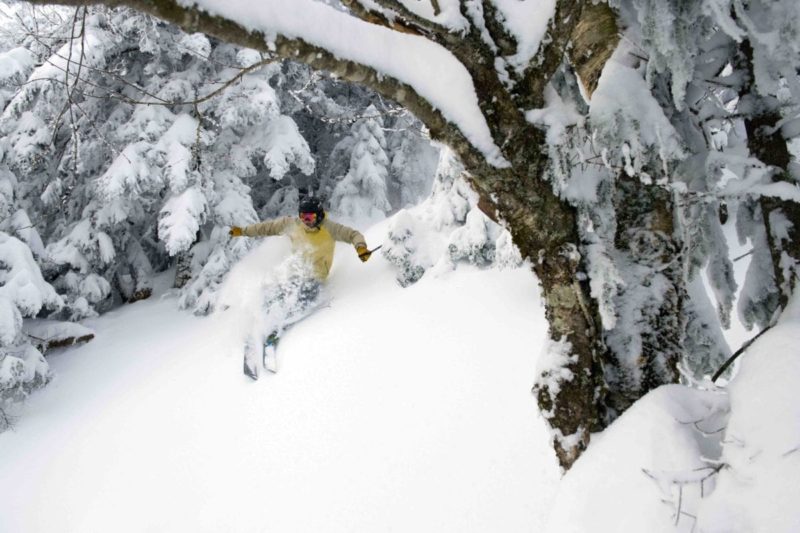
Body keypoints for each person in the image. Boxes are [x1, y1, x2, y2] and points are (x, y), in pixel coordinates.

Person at [228, 196, 372, 377]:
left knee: (297, 301)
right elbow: (267, 228)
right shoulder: (293, 224)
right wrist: (243, 231)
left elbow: (353, 234)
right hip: (294, 273)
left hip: (315, 279)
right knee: (270, 293)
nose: (305, 222)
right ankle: (259, 326)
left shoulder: (330, 228)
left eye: (309, 218)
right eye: (303, 217)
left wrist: (360, 247)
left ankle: (275, 328)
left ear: (319, 216)